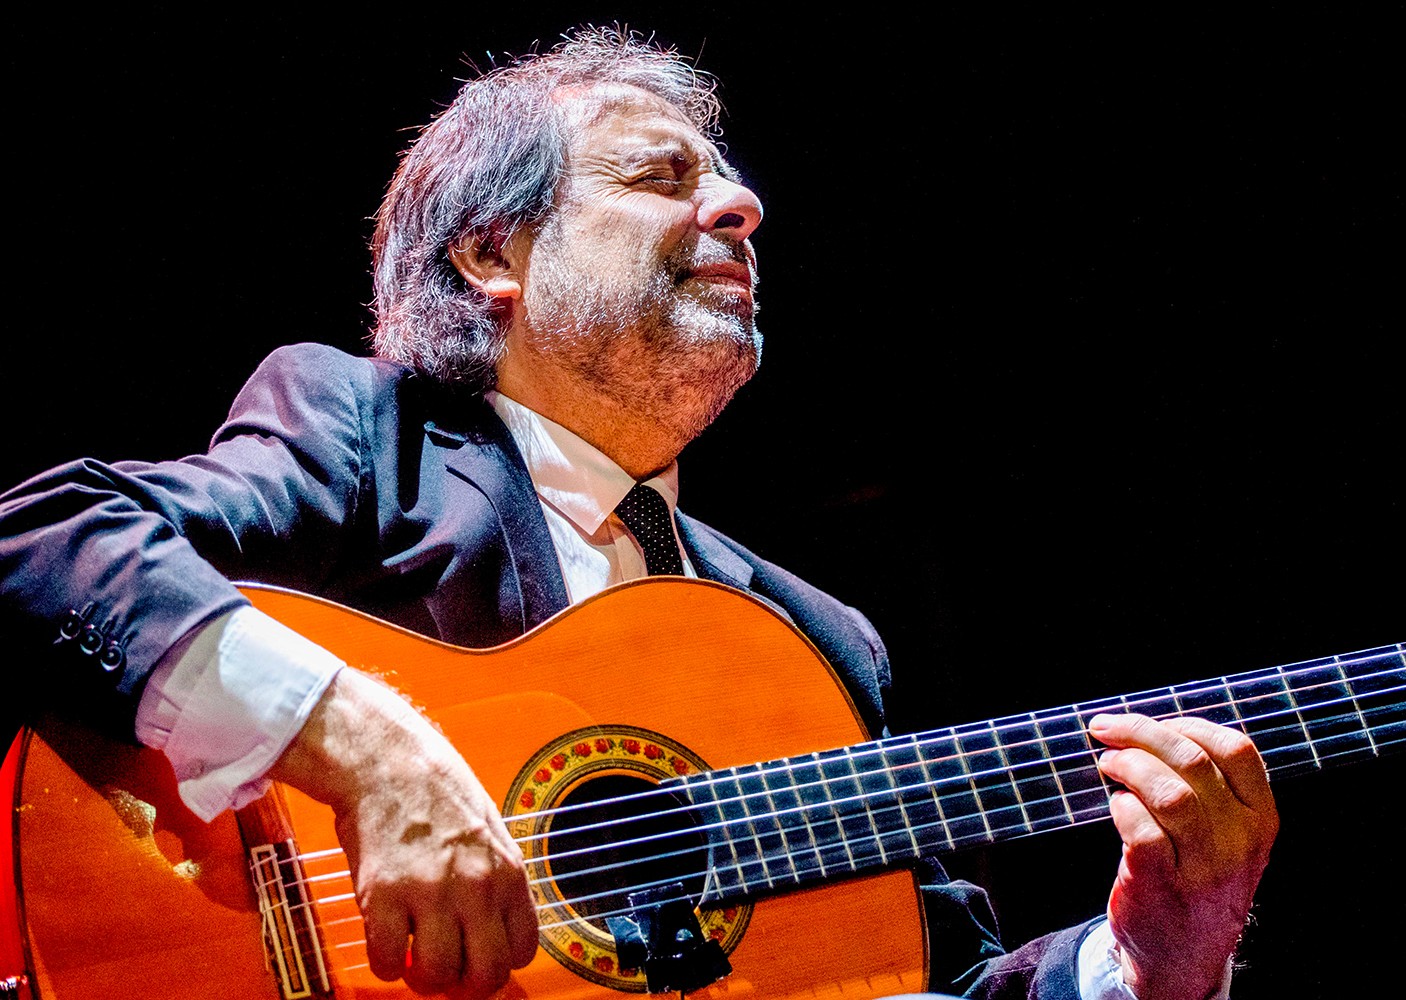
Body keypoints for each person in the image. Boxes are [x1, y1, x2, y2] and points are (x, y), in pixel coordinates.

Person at [0, 26, 1276, 1000]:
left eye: (726, 184)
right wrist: (370, 754)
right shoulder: (363, 432)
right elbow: (42, 542)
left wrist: (1152, 952)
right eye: (659, 175)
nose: (739, 205)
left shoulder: (815, 641)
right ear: (489, 255)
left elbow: (916, 980)